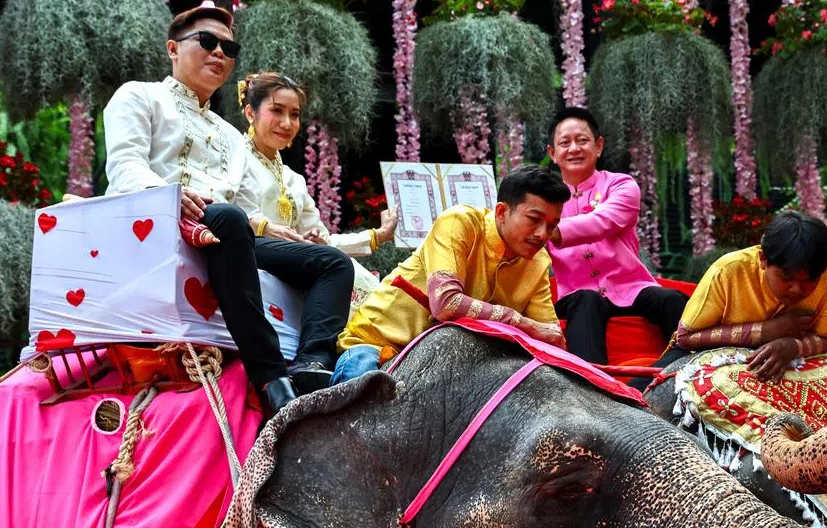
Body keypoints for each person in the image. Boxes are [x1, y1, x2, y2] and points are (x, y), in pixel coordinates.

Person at [102, 2, 339, 418]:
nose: (219, 53)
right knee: (228, 219)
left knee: (332, 264)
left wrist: (263, 226)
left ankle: (310, 364)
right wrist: (169, 194)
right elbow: (124, 167)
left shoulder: (231, 135)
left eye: (229, 49)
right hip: (154, 222)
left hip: (223, 233)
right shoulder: (140, 96)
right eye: (207, 42)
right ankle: (270, 377)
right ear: (173, 49)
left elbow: (231, 200)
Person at [331, 165, 570, 384]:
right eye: (534, 219)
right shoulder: (460, 222)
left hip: (447, 366)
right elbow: (446, 303)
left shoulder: (538, 262)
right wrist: (520, 322)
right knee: (363, 387)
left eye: (552, 225)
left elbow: (550, 338)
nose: (542, 234)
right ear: (501, 212)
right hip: (376, 345)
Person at [234, 71, 397, 318]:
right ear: (250, 113)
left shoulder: (294, 179)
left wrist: (377, 235)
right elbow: (229, 214)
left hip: (299, 264)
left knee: (373, 286)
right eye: (277, 110)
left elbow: (324, 241)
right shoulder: (234, 158)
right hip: (252, 264)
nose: (287, 123)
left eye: (295, 114)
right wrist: (268, 229)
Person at [545, 107, 688, 365]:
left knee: (669, 298)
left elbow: (605, 221)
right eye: (565, 143)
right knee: (585, 301)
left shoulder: (621, 185)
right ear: (553, 154)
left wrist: (549, 229)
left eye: (583, 140)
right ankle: (590, 386)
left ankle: (692, 365)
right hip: (577, 294)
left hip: (630, 288)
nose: (574, 148)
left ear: (598, 146)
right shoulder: (545, 199)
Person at [664, 209, 827, 382]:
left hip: (792, 358)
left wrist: (793, 346)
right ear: (763, 259)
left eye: (811, 279)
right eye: (786, 277)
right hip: (699, 355)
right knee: (641, 399)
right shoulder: (729, 270)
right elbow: (686, 337)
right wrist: (764, 332)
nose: (797, 289)